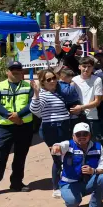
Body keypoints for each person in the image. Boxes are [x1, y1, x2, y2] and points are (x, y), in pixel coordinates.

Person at [0, 61, 34, 200]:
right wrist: (11, 117)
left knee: (20, 156)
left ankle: (16, 183)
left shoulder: (28, 87)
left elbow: (32, 103)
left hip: (24, 126)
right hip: (5, 127)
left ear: (22, 72)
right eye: (12, 69)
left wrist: (19, 115)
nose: (15, 72)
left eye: (18, 69)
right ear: (7, 72)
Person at [51, 123, 103, 207]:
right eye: (78, 134)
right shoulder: (68, 145)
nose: (82, 137)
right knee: (72, 202)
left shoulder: (98, 147)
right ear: (73, 136)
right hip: (69, 184)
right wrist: (56, 147)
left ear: (89, 135)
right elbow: (59, 146)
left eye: (85, 134)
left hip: (88, 182)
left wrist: (94, 171)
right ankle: (74, 206)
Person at [31, 68, 73, 198]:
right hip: (52, 129)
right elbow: (35, 109)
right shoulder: (42, 94)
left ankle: (68, 181)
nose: (52, 81)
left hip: (65, 127)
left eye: (54, 78)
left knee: (67, 155)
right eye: (48, 79)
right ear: (43, 82)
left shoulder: (59, 92)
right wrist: (36, 94)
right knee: (57, 158)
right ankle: (56, 187)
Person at [71, 56, 103, 141]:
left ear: (92, 68)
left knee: (93, 142)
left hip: (92, 117)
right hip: (76, 116)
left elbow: (97, 101)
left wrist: (81, 107)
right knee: (77, 143)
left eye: (89, 66)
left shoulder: (97, 80)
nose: (86, 69)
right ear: (79, 67)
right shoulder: (73, 80)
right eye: (84, 66)